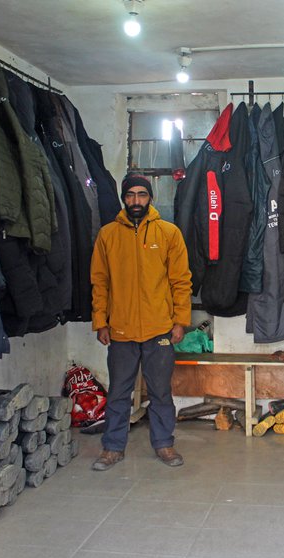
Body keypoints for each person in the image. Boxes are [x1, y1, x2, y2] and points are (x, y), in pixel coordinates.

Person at [90, 173, 192, 470]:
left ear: (150, 198)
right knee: (119, 391)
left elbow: (181, 281)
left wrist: (180, 321)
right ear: (124, 199)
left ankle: (164, 445)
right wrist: (101, 321)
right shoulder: (108, 235)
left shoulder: (169, 233)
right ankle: (112, 448)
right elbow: (99, 282)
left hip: (159, 328)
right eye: (131, 195)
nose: (136, 200)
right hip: (120, 329)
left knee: (160, 391)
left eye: (142, 195)